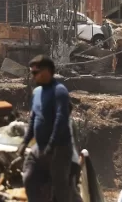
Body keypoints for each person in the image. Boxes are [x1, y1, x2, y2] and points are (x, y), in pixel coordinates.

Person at [19, 55, 80, 202]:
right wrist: (25, 141)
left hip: (59, 148)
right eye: (31, 73)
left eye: (36, 72)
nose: (33, 76)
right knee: (29, 178)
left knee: (60, 189)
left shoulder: (59, 91)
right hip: (40, 147)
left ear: (47, 71)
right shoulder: (36, 93)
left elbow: (60, 119)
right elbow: (33, 119)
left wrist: (52, 144)